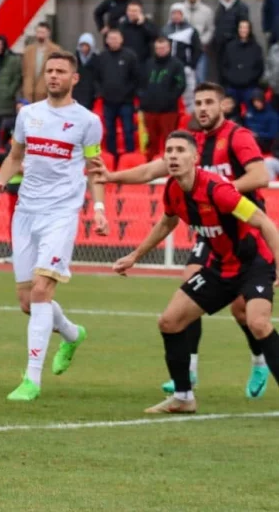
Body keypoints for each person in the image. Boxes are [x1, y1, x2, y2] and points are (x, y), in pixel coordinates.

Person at [96, 82, 272, 397]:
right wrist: (112, 176)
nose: (202, 108)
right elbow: (151, 171)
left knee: (243, 311)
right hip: (210, 228)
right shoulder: (190, 143)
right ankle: (188, 370)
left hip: (243, 226)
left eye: (209, 102)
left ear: (223, 106)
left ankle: (259, 360)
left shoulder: (237, 137)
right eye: (198, 103)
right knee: (188, 283)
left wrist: (217, 190)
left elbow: (260, 177)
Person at [0, 51, 104, 401]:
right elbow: (15, 156)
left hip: (61, 214)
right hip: (26, 213)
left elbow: (95, 168)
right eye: (49, 70)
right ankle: (72, 334)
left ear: (74, 78)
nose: (53, 76)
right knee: (27, 302)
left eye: (60, 71)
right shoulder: (28, 114)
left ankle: (32, 380)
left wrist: (99, 208)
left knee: (41, 291)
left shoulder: (87, 121)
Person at [94, 28, 143, 155]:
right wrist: (102, 92)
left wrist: (129, 92)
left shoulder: (130, 56)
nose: (113, 41)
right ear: (107, 40)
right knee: (110, 131)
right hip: (108, 102)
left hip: (126, 102)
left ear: (121, 40)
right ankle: (112, 157)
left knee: (128, 130)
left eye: (116, 38)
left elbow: (136, 78)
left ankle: (129, 156)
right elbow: (96, 77)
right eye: (111, 38)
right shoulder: (102, 57)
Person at [139, 37, 187, 161]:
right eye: (158, 48)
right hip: (150, 110)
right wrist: (144, 100)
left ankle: (170, 165)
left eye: (163, 48)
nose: (160, 50)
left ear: (169, 48)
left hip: (168, 111)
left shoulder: (177, 64)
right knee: (151, 141)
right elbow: (141, 83)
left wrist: (169, 99)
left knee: (169, 141)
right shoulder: (148, 63)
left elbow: (181, 85)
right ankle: (149, 166)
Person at [220, 19, 265, 109]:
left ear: (249, 29)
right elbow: (224, 66)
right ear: (238, 29)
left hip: (249, 87)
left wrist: (250, 78)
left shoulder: (256, 48)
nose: (243, 30)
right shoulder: (230, 46)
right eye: (241, 27)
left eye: (245, 28)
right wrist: (230, 78)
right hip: (232, 87)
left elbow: (260, 68)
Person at [20, 23, 62, 104]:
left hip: (46, 95)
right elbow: (24, 72)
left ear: (48, 33)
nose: (40, 35)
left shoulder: (55, 50)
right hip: (28, 95)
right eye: (38, 32)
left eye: (43, 32)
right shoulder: (28, 50)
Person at [213, 0, 249, 67]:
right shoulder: (221, 7)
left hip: (234, 44)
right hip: (220, 46)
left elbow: (243, 26)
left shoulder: (241, 7)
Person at [72, 32, 99, 109]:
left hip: (91, 93)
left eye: (86, 45)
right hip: (76, 92)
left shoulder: (97, 59)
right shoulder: (74, 59)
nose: (84, 48)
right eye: (82, 45)